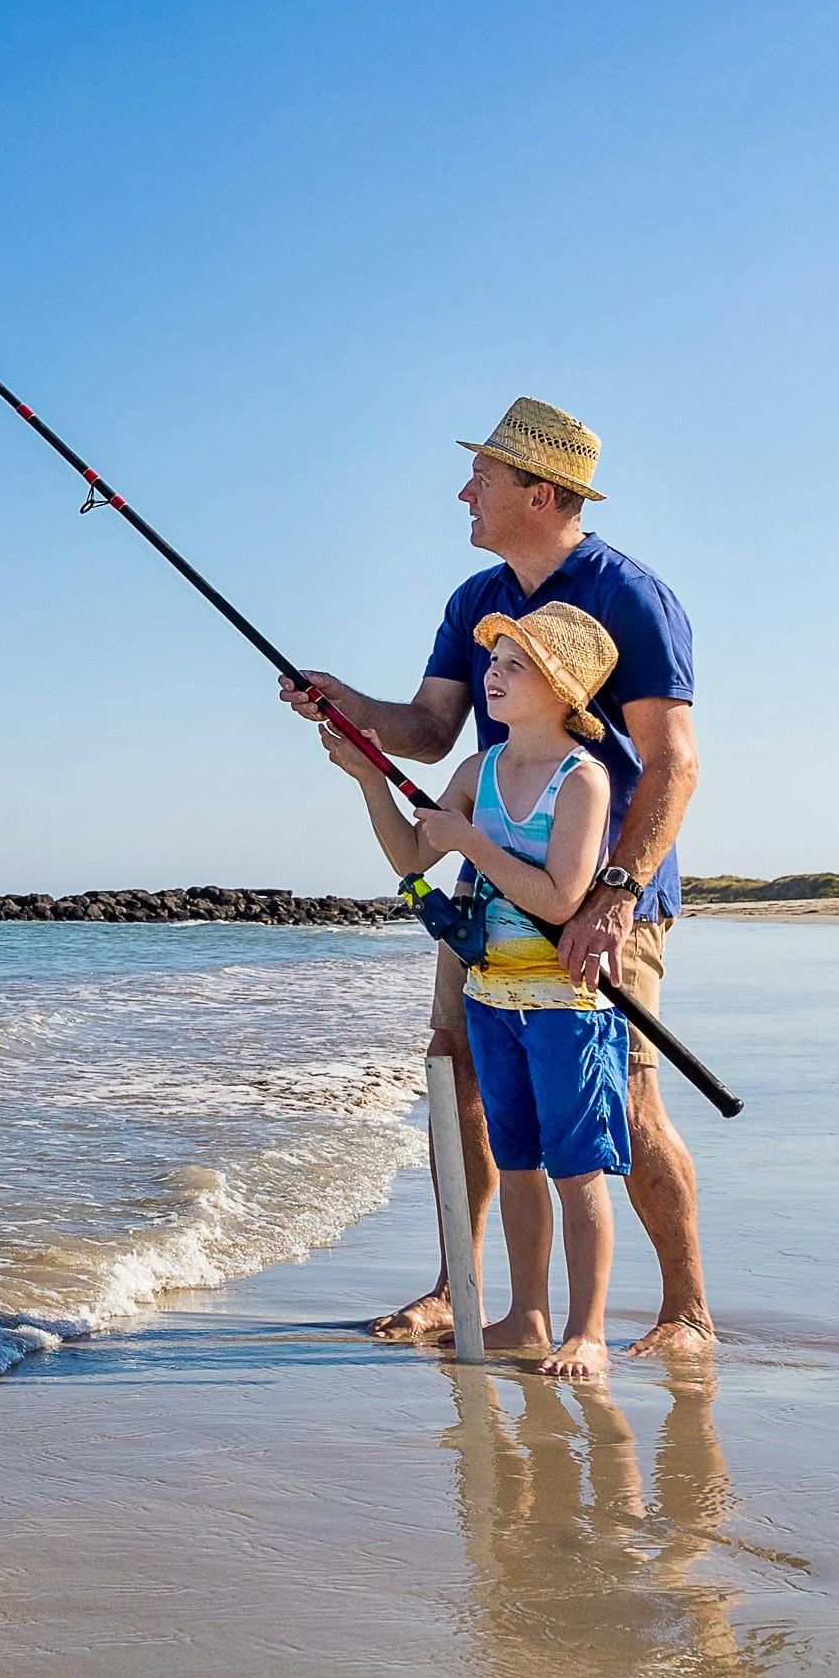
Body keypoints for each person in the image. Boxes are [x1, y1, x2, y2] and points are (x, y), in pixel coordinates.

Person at [282, 397, 711, 1356]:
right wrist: (344, 706)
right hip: (489, 899)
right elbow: (431, 732)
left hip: (606, 893)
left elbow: (674, 762)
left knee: (626, 1099)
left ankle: (683, 1309)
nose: (464, 491)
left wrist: (611, 894)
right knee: (459, 1071)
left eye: (483, 477)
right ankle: (459, 1287)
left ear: (540, 492)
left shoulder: (627, 596)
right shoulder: (475, 602)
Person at [328, 602, 627, 1378]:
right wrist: (370, 780)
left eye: (513, 664)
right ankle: (524, 1313)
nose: (491, 674)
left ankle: (585, 1330)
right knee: (518, 1159)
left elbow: (562, 898)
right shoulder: (476, 772)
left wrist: (468, 842)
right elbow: (409, 856)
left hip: (566, 1009)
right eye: (491, 661)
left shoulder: (582, 779)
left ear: (561, 687)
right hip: (491, 1002)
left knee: (576, 1168)